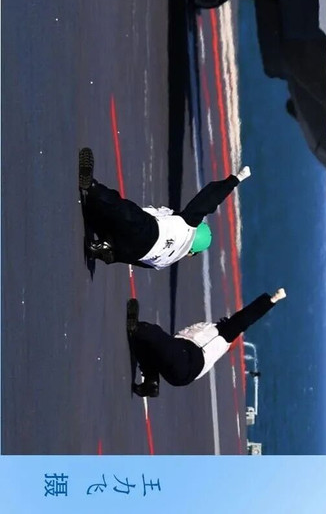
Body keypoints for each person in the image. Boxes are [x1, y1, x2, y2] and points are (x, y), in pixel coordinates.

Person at [78, 147, 249, 269]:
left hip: (148, 232)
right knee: (118, 239)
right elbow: (139, 262)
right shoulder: (168, 261)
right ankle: (101, 248)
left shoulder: (189, 224)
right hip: (136, 251)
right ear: (191, 252)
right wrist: (114, 256)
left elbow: (209, 200)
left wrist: (235, 180)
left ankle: (93, 188)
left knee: (121, 208)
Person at [127, 291, 286, 396]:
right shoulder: (217, 334)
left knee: (152, 333)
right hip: (182, 374)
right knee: (147, 348)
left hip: (188, 358)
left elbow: (245, 318)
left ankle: (137, 327)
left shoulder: (224, 334)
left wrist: (271, 300)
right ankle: (151, 382)